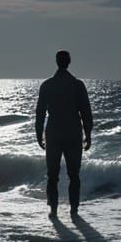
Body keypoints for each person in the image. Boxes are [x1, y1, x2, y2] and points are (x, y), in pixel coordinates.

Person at [35, 50, 93, 216]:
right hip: (73, 133)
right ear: (69, 62)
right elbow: (86, 112)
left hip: (53, 132)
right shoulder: (77, 85)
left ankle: (53, 209)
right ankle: (74, 209)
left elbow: (40, 113)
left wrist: (39, 134)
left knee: (52, 175)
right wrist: (88, 134)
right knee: (74, 174)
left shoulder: (47, 85)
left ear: (56, 62)